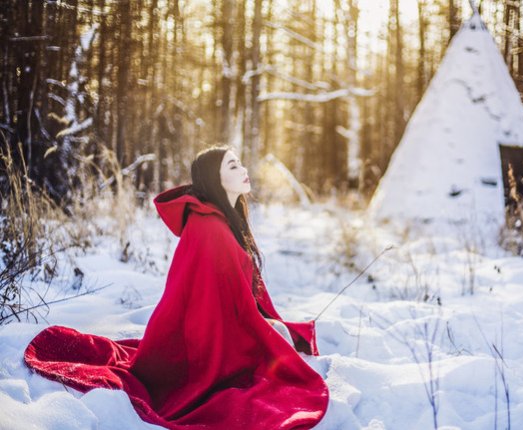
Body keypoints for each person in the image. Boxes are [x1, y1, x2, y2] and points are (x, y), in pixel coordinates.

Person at [24, 146, 329, 429]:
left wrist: (268, 327)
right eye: (233, 165)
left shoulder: (225, 219)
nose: (243, 169)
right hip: (198, 346)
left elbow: (239, 292)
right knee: (281, 353)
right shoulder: (209, 226)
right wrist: (263, 334)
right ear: (215, 177)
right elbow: (208, 306)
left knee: (281, 340)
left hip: (217, 330)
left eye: (240, 163)